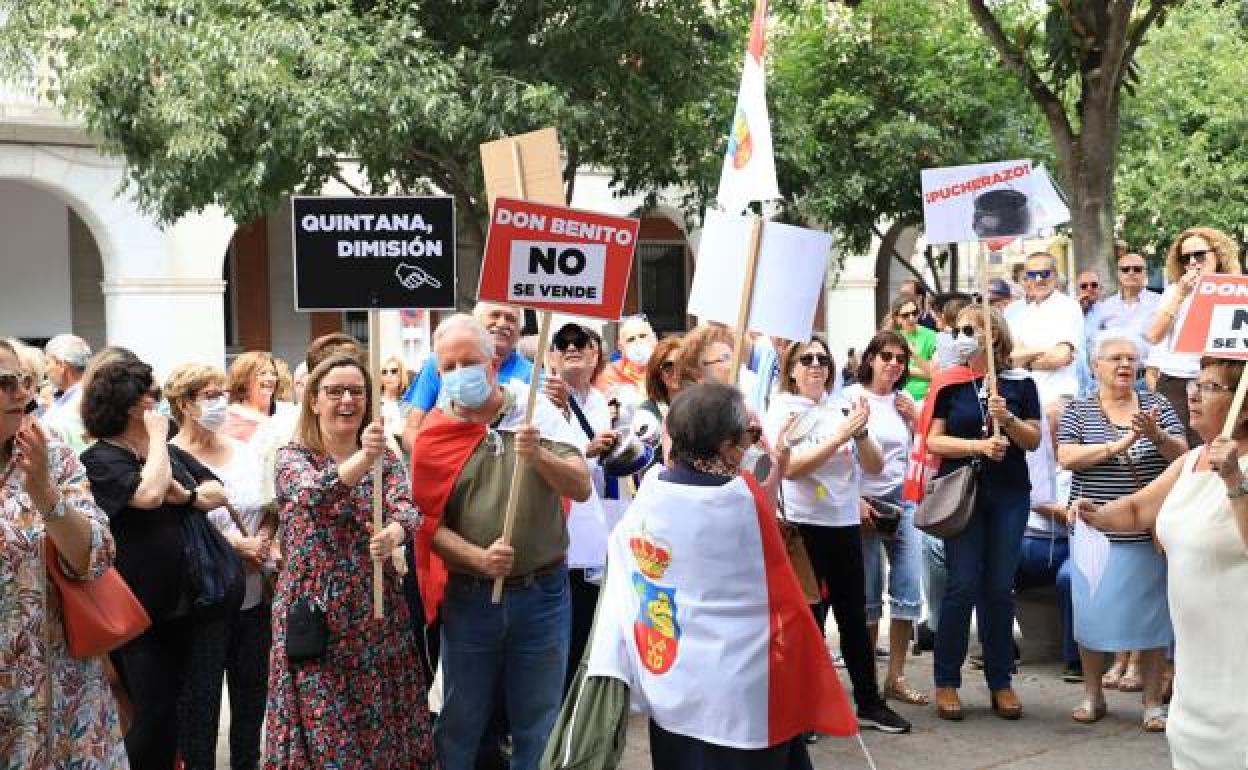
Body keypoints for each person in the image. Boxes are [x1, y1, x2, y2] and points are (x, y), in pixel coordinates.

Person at [562, 383, 857, 769]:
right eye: (748, 436)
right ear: (727, 447)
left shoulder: (648, 497)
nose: (752, 444)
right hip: (744, 691)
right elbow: (779, 573)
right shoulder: (740, 502)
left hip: (672, 683)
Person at [409, 314, 590, 770]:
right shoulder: (433, 436)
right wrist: (477, 558)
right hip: (470, 599)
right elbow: (426, 524)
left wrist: (539, 455)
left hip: (544, 594)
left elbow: (581, 486)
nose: (458, 373)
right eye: (447, 366)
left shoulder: (534, 413)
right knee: (462, 722)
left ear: (493, 364)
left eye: (468, 362)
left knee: (538, 722)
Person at [262, 353, 436, 769]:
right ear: (314, 401)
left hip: (376, 612)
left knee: (381, 731)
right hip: (315, 614)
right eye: (335, 391)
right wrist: (364, 457)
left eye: (356, 392)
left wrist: (393, 533)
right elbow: (313, 498)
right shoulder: (292, 457)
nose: (346, 400)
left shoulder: (386, 459)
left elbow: (408, 509)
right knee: (328, 738)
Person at [1074, 356, 1248, 769]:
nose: (1193, 394)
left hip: (1238, 651)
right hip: (1195, 655)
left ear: (1244, 408)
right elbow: (1137, 510)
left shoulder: (1236, 470)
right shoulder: (1189, 461)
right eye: (1195, 384)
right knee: (1192, 746)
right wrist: (1095, 513)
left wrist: (1234, 481)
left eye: (1209, 387)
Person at [80, 354, 230, 770]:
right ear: (132, 405)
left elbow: (217, 489)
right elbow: (146, 497)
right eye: (153, 396)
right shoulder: (101, 459)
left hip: (181, 605)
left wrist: (190, 496)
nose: (159, 403)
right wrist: (160, 446)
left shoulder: (162, 455)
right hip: (133, 613)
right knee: (150, 712)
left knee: (171, 717)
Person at [764, 335, 911, 734]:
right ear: (792, 370)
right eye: (806, 359)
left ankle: (868, 702)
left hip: (843, 523)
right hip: (802, 525)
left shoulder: (842, 405)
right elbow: (791, 467)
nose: (816, 365)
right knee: (807, 619)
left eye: (822, 359)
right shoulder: (782, 410)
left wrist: (861, 434)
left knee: (853, 616)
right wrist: (840, 436)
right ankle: (802, 708)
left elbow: (876, 466)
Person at [0, 338, 129, 769]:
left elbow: (94, 556)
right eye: (4, 384)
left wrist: (45, 495)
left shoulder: (47, 449)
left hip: (62, 686)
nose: (21, 394)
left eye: (24, 381)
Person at [1057, 332, 1186, 731]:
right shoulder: (1079, 410)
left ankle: (1151, 703)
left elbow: (1183, 455)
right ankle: (1093, 695)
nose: (1125, 365)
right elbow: (1067, 457)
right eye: (1115, 358)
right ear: (1096, 366)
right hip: (1096, 531)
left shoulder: (1157, 404)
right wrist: (1120, 444)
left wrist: (1156, 436)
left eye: (1132, 358)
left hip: (1149, 531)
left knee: (1152, 621)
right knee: (1092, 615)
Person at [923, 305, 1042, 720]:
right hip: (964, 493)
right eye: (958, 330)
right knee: (962, 584)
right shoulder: (951, 384)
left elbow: (1033, 440)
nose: (963, 336)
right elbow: (934, 442)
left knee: (998, 587)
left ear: (993, 335)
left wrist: (1005, 418)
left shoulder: (1020, 383)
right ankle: (946, 681)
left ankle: (1001, 680)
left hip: (1008, 494)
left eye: (971, 329)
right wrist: (977, 446)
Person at [167, 363, 276, 770]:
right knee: (200, 714)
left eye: (222, 394)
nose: (220, 404)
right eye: (209, 396)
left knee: (251, 711)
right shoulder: (171, 459)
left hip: (253, 599)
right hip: (205, 604)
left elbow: (270, 507)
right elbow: (177, 530)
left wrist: (262, 540)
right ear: (183, 403)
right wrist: (233, 546)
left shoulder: (246, 453)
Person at [843, 331, 927, 706]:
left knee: (908, 588)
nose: (894, 364)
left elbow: (923, 451)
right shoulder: (850, 398)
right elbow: (841, 456)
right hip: (863, 501)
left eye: (900, 359)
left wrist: (917, 419)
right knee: (868, 593)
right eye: (887, 356)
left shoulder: (905, 401)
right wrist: (854, 499)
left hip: (903, 501)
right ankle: (870, 681)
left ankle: (896, 675)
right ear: (871, 358)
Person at [540, 322, 618, 691]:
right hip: (553, 535)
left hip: (591, 534)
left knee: (584, 626)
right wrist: (585, 451)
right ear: (551, 354)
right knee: (554, 631)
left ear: (596, 353)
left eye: (581, 342)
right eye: (562, 342)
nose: (572, 348)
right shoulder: (537, 400)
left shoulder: (603, 402)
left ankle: (573, 706)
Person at [1145, 227, 1241, 446]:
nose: (1193, 262)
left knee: (1215, 445)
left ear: (1217, 254)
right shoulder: (1173, 291)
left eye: (1199, 254)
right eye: (1185, 258)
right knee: (1175, 447)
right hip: (1176, 380)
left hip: (1219, 380)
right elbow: (1154, 335)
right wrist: (1180, 294)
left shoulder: (1234, 288)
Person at [402, 301, 532, 443]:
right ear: (477, 322)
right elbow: (412, 428)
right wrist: (432, 456)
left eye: (510, 319)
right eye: (495, 315)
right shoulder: (437, 361)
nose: (501, 323)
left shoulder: (533, 374)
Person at [1007, 251, 1084, 413]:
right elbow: (1011, 359)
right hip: (1028, 398)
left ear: (1055, 276)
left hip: (1058, 397)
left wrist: (1026, 360)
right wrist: (1044, 350)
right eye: (1032, 275)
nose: (1039, 279)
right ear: (1026, 279)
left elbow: (1060, 358)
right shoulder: (1024, 314)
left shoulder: (1068, 306)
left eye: (1044, 273)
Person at [1084, 251, 1161, 395]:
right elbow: (1092, 341)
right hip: (1111, 379)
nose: (1131, 273)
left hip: (1146, 378)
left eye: (1137, 269)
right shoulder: (1106, 306)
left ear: (1145, 273)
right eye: (1125, 269)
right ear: (1118, 274)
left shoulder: (1160, 303)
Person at [42, 334, 94, 454]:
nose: (46, 370)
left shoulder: (86, 398)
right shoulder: (60, 397)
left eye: (47, 362)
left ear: (61, 365)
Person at [223, 351, 279, 443]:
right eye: (262, 373)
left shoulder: (281, 415)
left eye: (273, 373)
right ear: (244, 379)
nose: (270, 378)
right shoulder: (231, 419)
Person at [595, 314, 655, 399]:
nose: (638, 342)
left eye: (642, 336)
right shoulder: (607, 375)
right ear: (621, 347)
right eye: (631, 339)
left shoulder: (667, 369)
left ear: (654, 338)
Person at [891, 296, 937, 403]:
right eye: (905, 315)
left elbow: (934, 373)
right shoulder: (893, 338)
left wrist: (914, 356)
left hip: (926, 397)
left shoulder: (931, 335)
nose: (911, 318)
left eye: (914, 313)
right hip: (899, 396)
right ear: (897, 318)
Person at [379, 353, 413, 449]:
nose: (389, 375)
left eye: (393, 371)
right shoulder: (373, 403)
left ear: (401, 374)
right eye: (384, 372)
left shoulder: (409, 404)